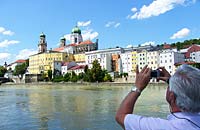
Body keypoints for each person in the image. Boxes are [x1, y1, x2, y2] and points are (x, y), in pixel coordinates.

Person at [115, 64, 200, 130]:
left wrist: (137, 87)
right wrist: (172, 81)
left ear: (171, 96)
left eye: (169, 87)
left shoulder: (165, 127)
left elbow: (121, 116)